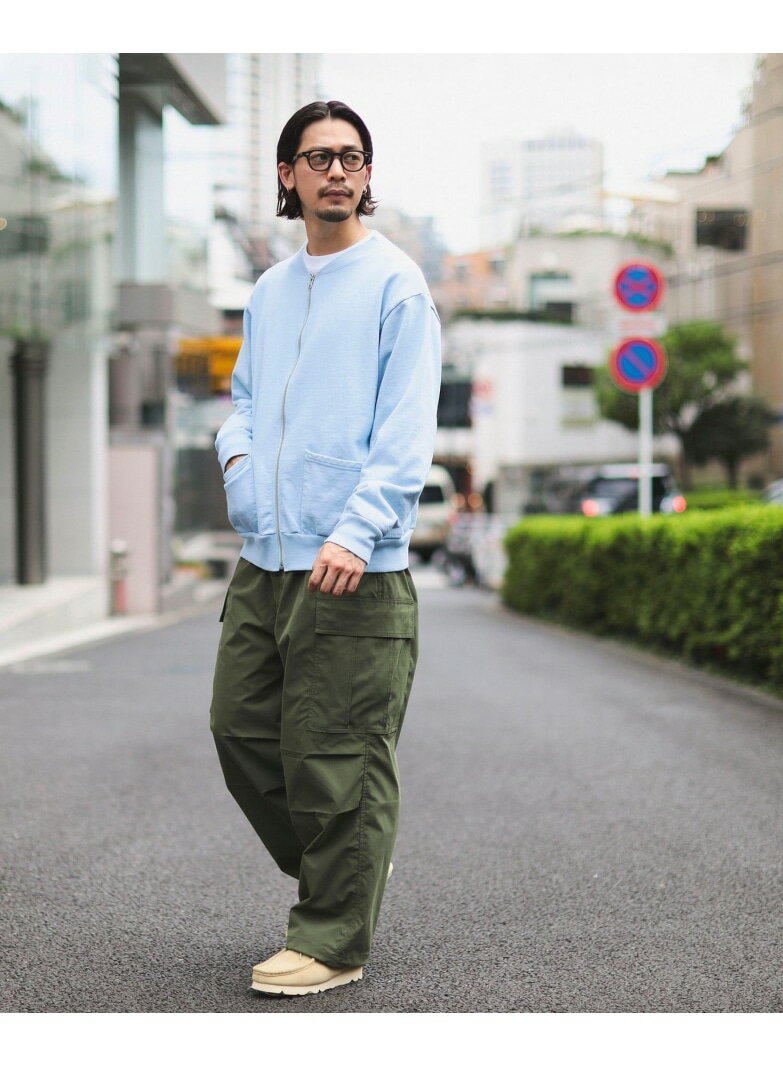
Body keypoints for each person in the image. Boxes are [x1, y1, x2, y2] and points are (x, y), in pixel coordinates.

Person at [209, 100, 441, 997]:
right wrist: (239, 466)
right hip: (265, 559)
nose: (337, 171)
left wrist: (356, 528)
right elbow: (244, 401)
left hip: (353, 566)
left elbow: (406, 427)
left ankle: (334, 937)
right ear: (288, 175)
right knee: (239, 728)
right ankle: (349, 861)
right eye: (319, 157)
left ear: (367, 174)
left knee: (336, 753)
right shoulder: (270, 290)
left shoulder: (396, 285)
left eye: (351, 157)